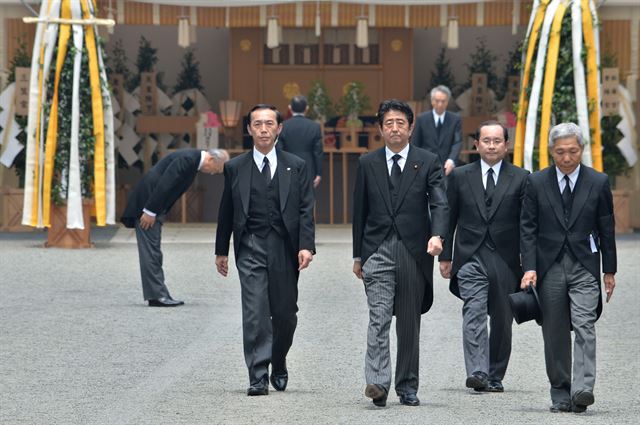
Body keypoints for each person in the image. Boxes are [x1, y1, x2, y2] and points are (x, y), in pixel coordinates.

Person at [352, 99, 448, 407]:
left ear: (410, 127)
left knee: (408, 322)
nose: (395, 128)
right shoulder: (368, 163)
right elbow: (360, 212)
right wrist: (358, 255)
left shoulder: (428, 160)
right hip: (377, 249)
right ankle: (378, 383)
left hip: (413, 249)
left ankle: (407, 385)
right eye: (388, 123)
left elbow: (440, 202)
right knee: (378, 317)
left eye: (400, 123)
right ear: (380, 129)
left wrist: (437, 235)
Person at [215, 104, 315, 396]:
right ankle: (258, 375)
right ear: (248, 129)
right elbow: (226, 210)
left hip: (284, 246)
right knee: (256, 311)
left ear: (279, 128)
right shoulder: (235, 167)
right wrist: (221, 250)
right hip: (251, 245)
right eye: (257, 124)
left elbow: (306, 209)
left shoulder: (295, 165)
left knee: (285, 314)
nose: (263, 129)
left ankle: (279, 359)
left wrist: (306, 246)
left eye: (268, 123)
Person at [520, 122, 617, 414]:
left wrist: (609, 271)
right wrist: (530, 267)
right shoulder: (536, 182)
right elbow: (527, 228)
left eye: (573, 151)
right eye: (560, 152)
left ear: (582, 150)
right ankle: (560, 391)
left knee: (585, 325)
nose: (566, 158)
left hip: (585, 264)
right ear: (551, 151)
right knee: (555, 330)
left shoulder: (598, 182)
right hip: (549, 266)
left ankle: (583, 388)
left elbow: (606, 228)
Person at [439, 121, 529, 393]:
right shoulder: (459, 176)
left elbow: (528, 226)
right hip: (470, 256)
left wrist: (530, 265)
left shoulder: (522, 178)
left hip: (506, 257)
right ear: (476, 144)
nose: (491, 145)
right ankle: (477, 371)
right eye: (486, 140)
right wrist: (446, 255)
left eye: (497, 141)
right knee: (474, 311)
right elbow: (448, 215)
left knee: (503, 318)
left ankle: (495, 373)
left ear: (506, 145)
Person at [121, 148, 229, 307]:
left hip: (153, 207)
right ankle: (157, 296)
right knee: (151, 252)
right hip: (148, 207)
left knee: (153, 252)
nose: (213, 174)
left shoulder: (191, 161)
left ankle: (159, 293)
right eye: (216, 170)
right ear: (211, 160)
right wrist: (150, 211)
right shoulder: (188, 159)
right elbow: (165, 184)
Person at [411, 85, 462, 176]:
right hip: (425, 166)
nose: (440, 104)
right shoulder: (421, 119)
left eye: (443, 101)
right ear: (432, 101)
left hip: (447, 167)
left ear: (448, 101)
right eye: (437, 101)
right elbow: (415, 143)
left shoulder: (455, 119)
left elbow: (457, 142)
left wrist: (451, 160)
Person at [277, 95, 324, 189]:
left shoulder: (283, 126)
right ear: (307, 108)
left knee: (288, 200)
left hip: (287, 167)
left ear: (290, 108)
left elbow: (279, 151)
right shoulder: (314, 127)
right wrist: (319, 173)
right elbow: (318, 152)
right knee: (307, 200)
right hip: (308, 167)